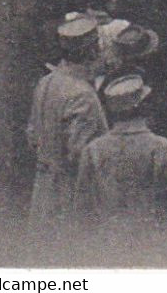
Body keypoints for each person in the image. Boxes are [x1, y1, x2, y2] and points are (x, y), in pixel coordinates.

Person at [75, 73, 167, 242]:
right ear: (145, 106)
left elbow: (82, 204)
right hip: (152, 239)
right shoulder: (162, 147)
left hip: (106, 240)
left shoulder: (93, 150)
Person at [26, 18, 109, 233]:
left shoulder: (46, 82)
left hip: (43, 189)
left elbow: (32, 135)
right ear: (92, 51)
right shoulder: (82, 94)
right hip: (69, 195)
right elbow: (82, 156)